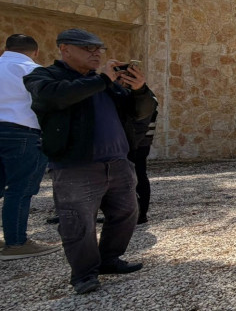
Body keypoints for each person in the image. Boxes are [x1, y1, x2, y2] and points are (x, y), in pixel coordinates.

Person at [24, 28, 157, 294]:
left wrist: (140, 89)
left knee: (126, 214)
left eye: (99, 49)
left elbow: (142, 112)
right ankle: (84, 274)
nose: (96, 54)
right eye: (88, 49)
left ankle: (109, 259)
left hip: (118, 163)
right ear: (64, 49)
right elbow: (57, 97)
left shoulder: (106, 84)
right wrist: (103, 80)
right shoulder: (45, 77)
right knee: (78, 223)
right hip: (77, 166)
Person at [0, 34, 59, 260]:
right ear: (35, 51)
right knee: (20, 189)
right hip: (22, 132)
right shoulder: (33, 71)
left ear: (7, 48)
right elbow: (47, 103)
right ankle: (16, 243)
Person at [129, 107, 158, 224]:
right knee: (138, 175)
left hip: (138, 144)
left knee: (139, 175)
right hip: (140, 143)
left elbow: (141, 125)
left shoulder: (143, 97)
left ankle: (140, 215)